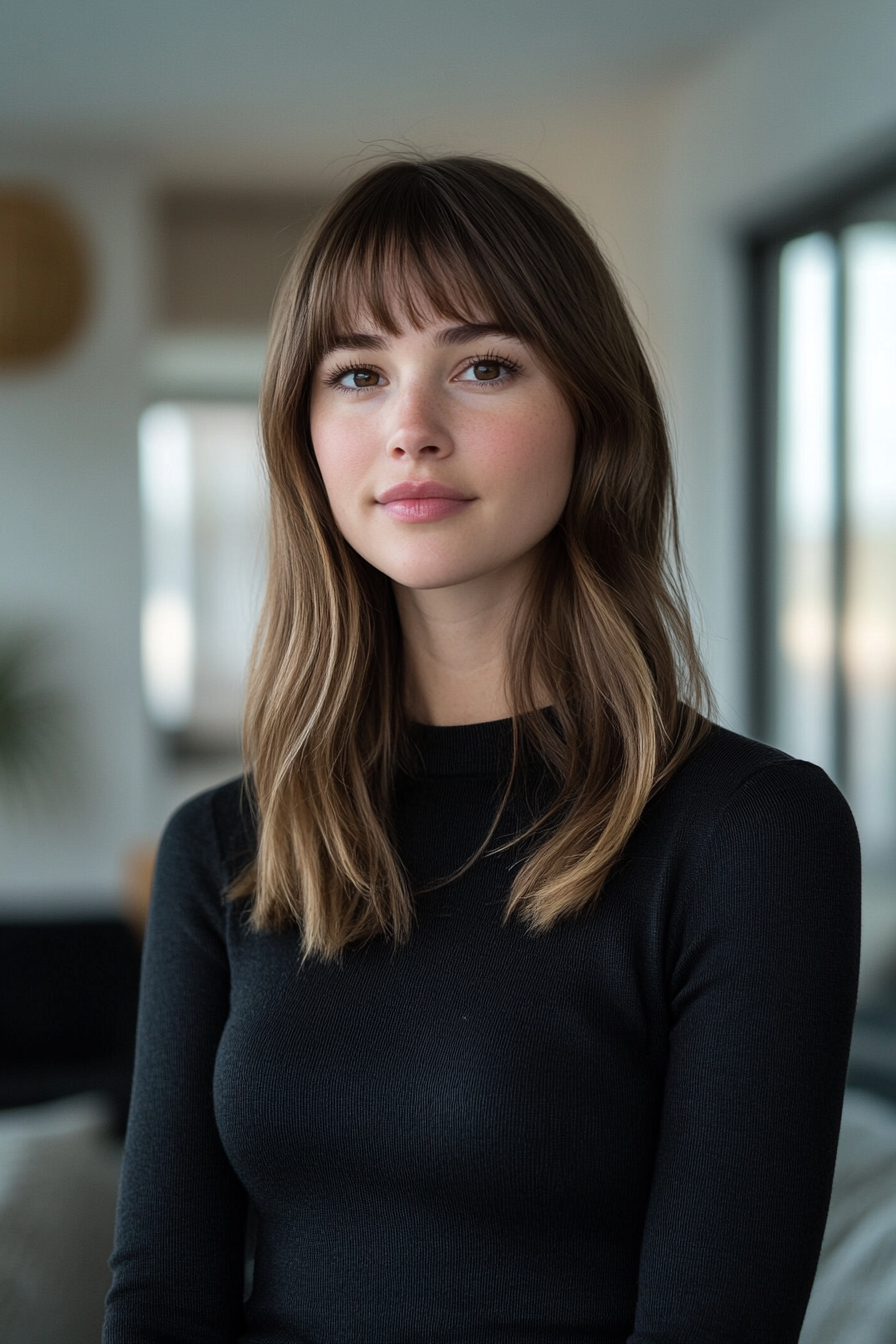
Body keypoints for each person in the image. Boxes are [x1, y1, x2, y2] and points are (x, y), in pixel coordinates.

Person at [103, 156, 861, 1344]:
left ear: (590, 416)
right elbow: (160, 1299)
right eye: (356, 374)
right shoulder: (223, 846)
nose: (409, 428)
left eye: (481, 366)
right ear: (305, 438)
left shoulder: (748, 834)